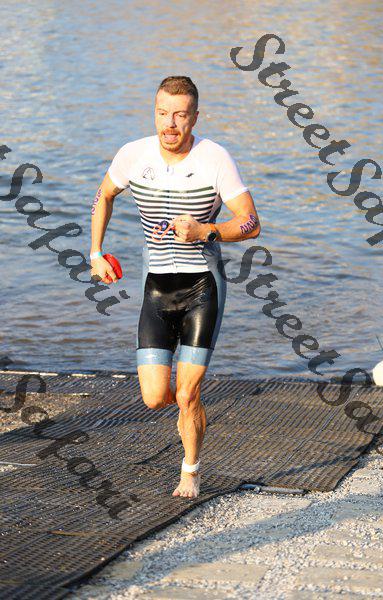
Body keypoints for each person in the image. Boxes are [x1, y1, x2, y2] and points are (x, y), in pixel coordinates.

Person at [90, 76, 261, 499]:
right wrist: (95, 252)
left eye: (180, 115)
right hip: (156, 288)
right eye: (163, 113)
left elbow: (251, 222)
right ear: (155, 113)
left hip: (203, 287)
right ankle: (186, 408)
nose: (170, 123)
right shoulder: (133, 154)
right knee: (154, 398)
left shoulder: (215, 158)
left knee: (186, 392)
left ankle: (190, 469)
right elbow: (104, 195)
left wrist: (206, 230)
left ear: (194, 117)